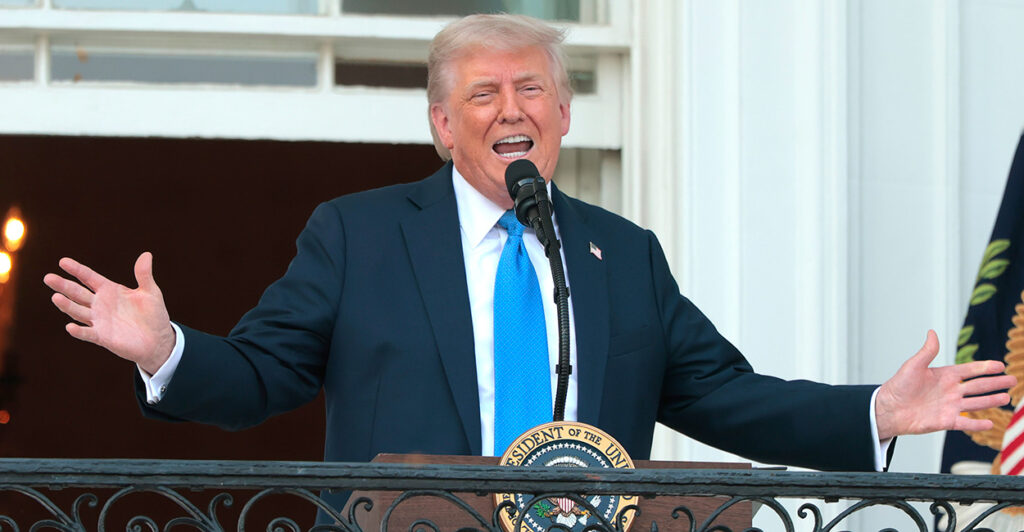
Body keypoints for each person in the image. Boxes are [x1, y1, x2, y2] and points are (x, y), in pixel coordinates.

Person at [44, 13, 1013, 515]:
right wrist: (166, 347)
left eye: (531, 89)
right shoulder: (358, 233)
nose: (511, 109)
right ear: (442, 124)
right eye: (483, 94)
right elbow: (262, 379)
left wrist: (875, 413)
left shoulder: (621, 256)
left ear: (562, 114)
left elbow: (724, 395)